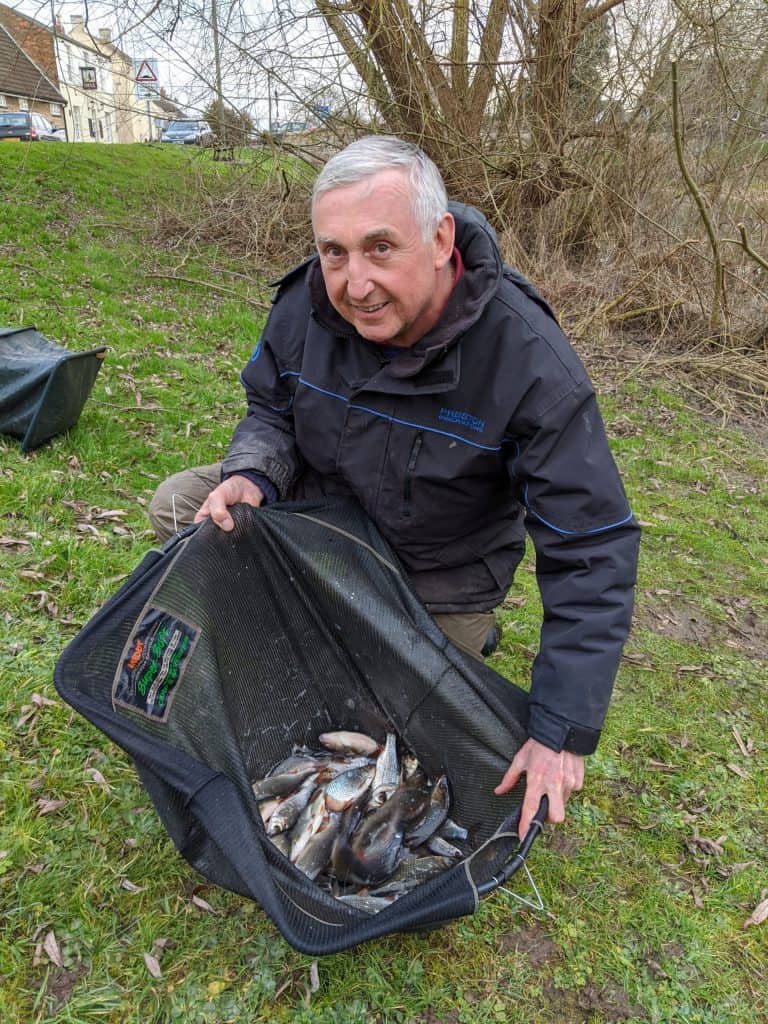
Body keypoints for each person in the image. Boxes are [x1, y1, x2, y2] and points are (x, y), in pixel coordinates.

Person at [149, 136, 640, 839]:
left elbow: (593, 544)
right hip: (320, 519)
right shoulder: (307, 304)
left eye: (381, 248)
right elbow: (269, 407)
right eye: (335, 252)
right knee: (178, 506)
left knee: (414, 729)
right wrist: (252, 474)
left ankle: (442, 642)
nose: (354, 284)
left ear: (441, 240)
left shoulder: (528, 361)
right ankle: (290, 622)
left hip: (434, 569)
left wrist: (561, 727)